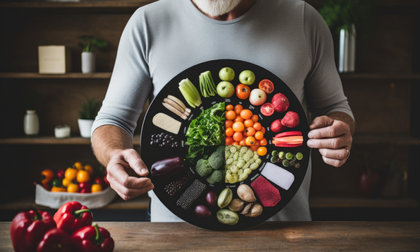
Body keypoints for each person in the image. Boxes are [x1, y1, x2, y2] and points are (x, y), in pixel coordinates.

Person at [91, 0, 355, 222]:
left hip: (285, 232)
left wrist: (336, 130)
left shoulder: (303, 19)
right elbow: (113, 120)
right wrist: (114, 154)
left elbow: (334, 108)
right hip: (175, 233)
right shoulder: (148, 22)